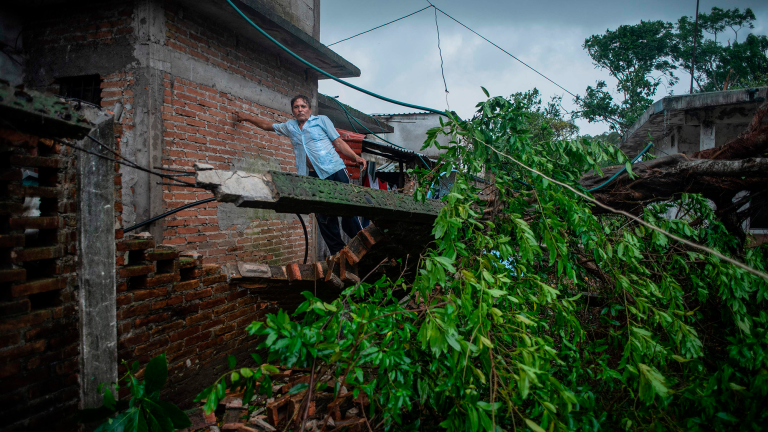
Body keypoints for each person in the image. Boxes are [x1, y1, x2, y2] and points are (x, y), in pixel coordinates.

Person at [235, 94, 367, 256]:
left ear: (309, 109)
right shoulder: (290, 127)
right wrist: (246, 118)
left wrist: (355, 157)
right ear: (293, 111)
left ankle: (365, 246)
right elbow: (267, 125)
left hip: (335, 171)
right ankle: (339, 254)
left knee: (348, 210)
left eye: (303, 106)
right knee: (324, 216)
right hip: (313, 177)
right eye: (296, 107)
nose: (300, 110)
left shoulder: (321, 121)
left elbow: (338, 142)